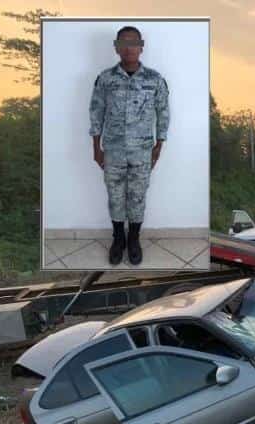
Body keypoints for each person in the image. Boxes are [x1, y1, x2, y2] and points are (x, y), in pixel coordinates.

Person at [89, 26, 170, 266]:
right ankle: (118, 239)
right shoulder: (105, 78)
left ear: (141, 46)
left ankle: (133, 239)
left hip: (143, 150)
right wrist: (96, 146)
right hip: (113, 149)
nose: (129, 47)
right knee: (115, 196)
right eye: (123, 42)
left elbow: (163, 112)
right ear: (116, 47)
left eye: (133, 42)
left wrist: (159, 144)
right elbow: (96, 111)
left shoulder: (155, 79)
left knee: (137, 197)